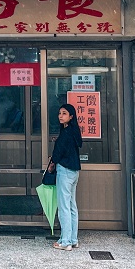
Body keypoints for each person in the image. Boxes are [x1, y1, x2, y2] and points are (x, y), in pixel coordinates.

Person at [49, 103, 83, 251]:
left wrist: (52, 163)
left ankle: (65, 241)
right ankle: (73, 239)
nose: (60, 116)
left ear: (71, 116)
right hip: (74, 172)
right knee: (71, 206)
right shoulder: (74, 131)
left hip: (65, 171)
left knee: (64, 207)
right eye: (59, 113)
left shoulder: (65, 133)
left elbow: (58, 153)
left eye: (64, 113)